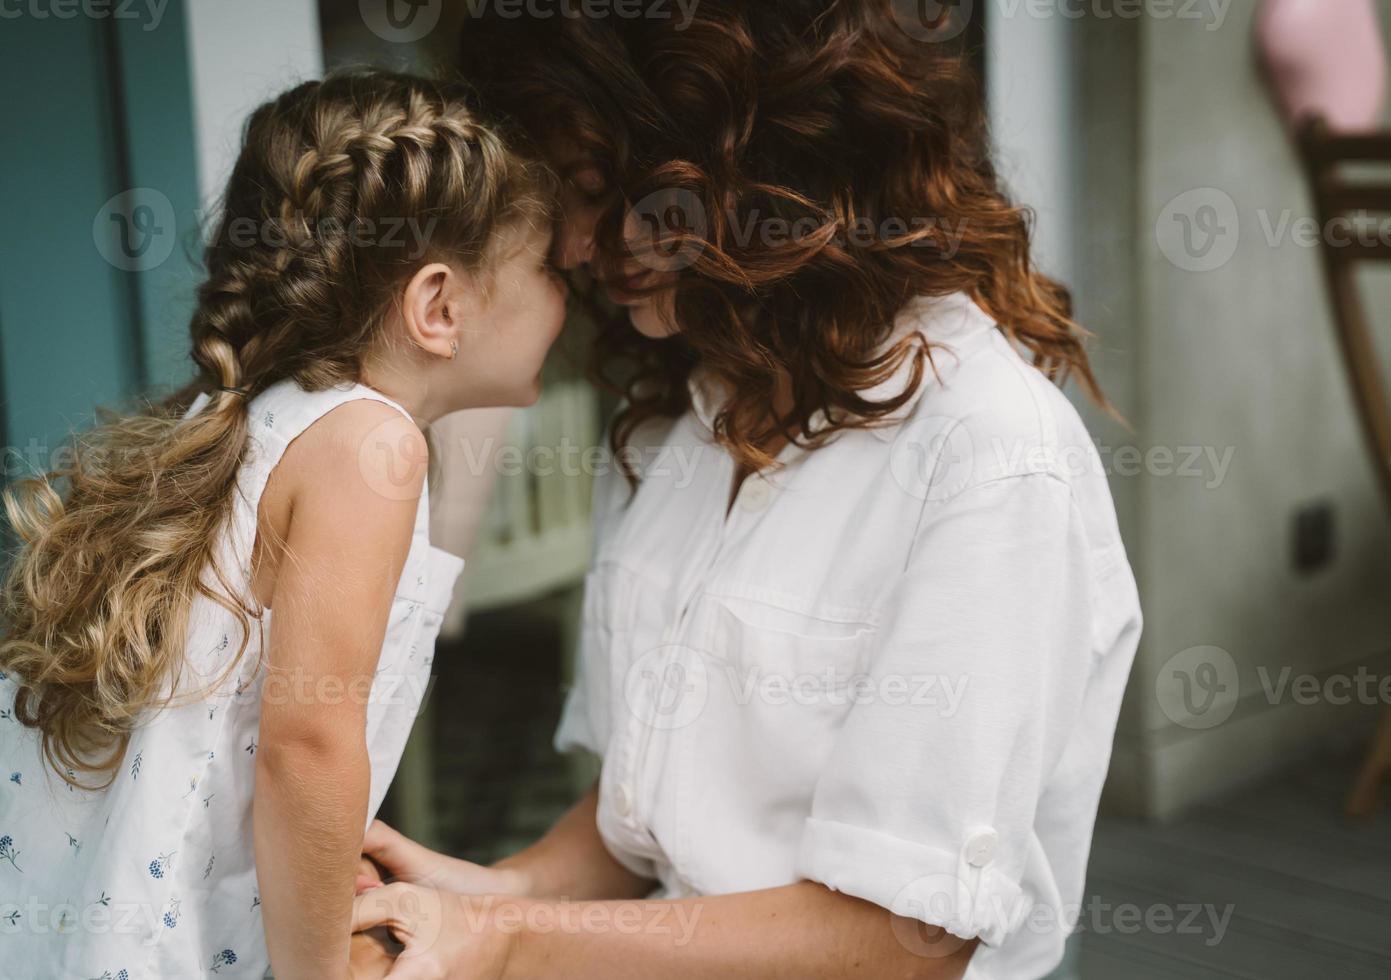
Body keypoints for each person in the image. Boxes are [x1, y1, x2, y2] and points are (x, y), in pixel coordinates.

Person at [352, 3, 1143, 978]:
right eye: (563, 190)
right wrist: (481, 893)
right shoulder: (685, 415)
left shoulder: (990, 455)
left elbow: (900, 937)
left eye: (605, 186)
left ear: (761, 162)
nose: (575, 241)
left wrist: (512, 942)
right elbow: (640, 830)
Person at [0, 70, 566, 980]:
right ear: (439, 307)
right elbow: (309, 746)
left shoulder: (250, 412)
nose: (570, 302)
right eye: (552, 270)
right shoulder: (371, 446)